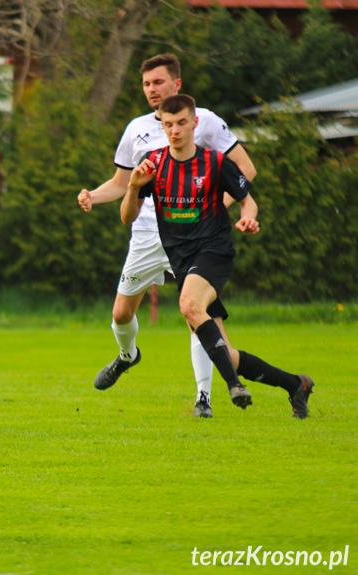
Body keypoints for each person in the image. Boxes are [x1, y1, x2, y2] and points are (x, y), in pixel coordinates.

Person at [77, 53, 258, 418]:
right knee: (121, 313)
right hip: (147, 234)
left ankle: (203, 397)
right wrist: (92, 196)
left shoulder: (200, 119)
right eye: (145, 84)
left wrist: (214, 210)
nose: (151, 90)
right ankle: (128, 355)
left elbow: (245, 168)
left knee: (196, 314)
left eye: (158, 82)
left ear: (176, 83)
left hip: (195, 236)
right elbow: (120, 183)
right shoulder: (137, 129)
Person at [120, 94, 315, 419]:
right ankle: (296, 384)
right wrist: (132, 187)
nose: (175, 130)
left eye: (181, 122)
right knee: (222, 350)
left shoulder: (214, 162)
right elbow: (127, 217)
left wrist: (248, 217)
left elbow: (247, 200)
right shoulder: (153, 164)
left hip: (214, 251)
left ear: (195, 122)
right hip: (182, 262)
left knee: (189, 306)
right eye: (168, 124)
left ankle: (233, 386)